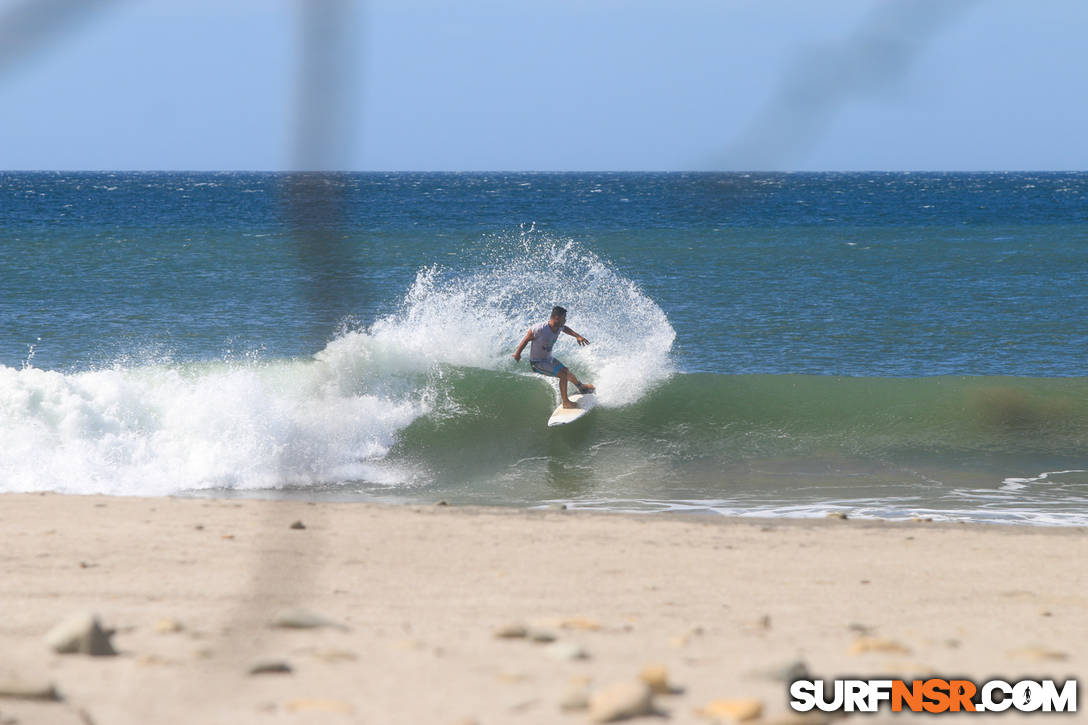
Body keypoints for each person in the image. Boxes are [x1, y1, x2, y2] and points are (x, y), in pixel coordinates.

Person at [513, 306, 596, 409]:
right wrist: (517, 354)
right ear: (557, 317)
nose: (565, 320)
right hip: (537, 363)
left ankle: (581, 387)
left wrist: (577, 336)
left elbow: (565, 329)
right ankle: (566, 403)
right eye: (564, 318)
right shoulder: (539, 329)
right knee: (563, 374)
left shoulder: (559, 326)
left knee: (566, 371)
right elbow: (526, 339)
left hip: (548, 359)